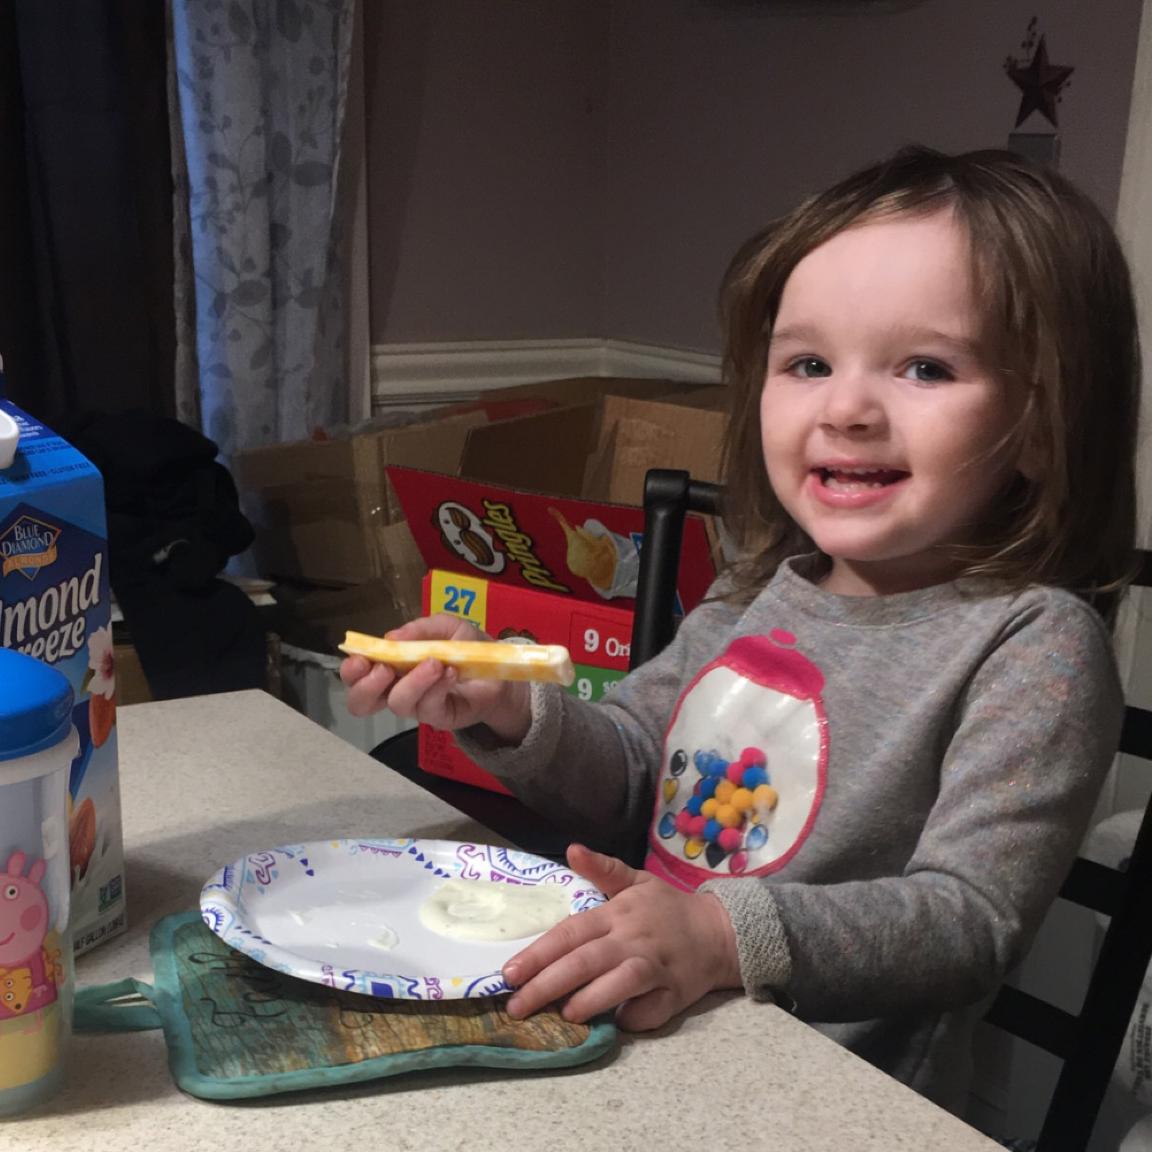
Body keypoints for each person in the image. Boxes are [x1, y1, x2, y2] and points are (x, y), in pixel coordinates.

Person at [341, 146, 1140, 1111]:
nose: (846, 407)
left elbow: (968, 921)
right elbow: (630, 769)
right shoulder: (755, 590)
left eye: (926, 367)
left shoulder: (1034, 646)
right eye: (808, 363)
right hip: (653, 1041)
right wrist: (509, 709)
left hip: (826, 1098)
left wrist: (720, 936)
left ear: (1043, 425)